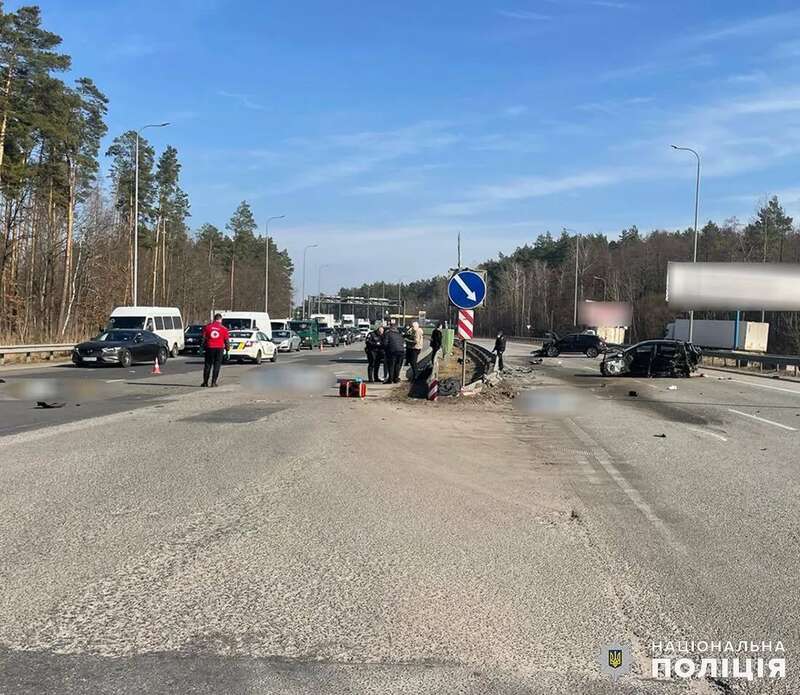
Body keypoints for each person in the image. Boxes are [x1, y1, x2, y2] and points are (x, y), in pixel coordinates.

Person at [201, 313, 230, 387]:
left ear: (214, 319)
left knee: (208, 365)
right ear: (220, 320)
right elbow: (226, 340)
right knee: (217, 365)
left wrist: (201, 347)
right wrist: (227, 350)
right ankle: (213, 382)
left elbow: (203, 338)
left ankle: (205, 382)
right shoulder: (224, 329)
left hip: (209, 347)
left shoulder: (207, 327)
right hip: (219, 348)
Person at [382, 320, 405, 384]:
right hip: (401, 351)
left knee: (391, 365)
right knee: (398, 366)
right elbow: (402, 342)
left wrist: (385, 350)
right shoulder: (399, 334)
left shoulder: (388, 334)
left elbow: (385, 343)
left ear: (390, 328)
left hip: (392, 351)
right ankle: (396, 378)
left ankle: (390, 379)